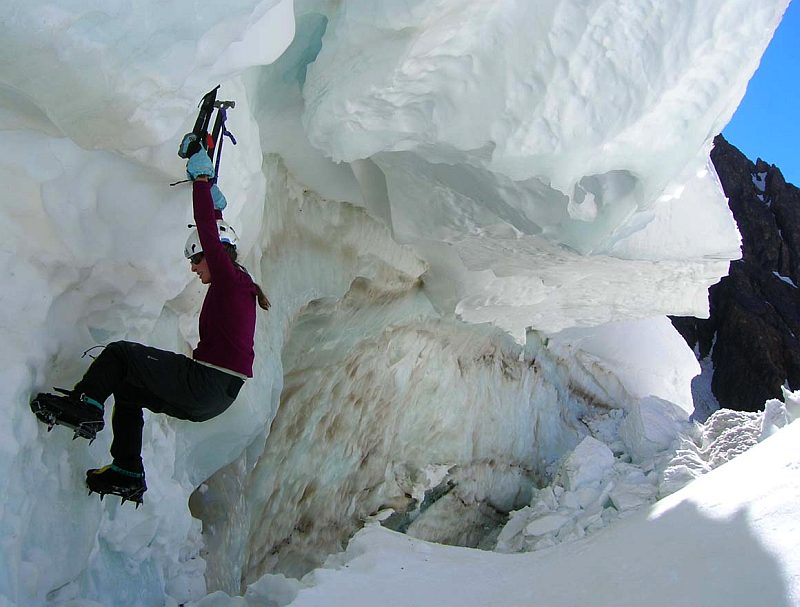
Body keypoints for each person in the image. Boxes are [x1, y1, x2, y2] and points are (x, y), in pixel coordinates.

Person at [32, 150, 270, 505]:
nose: (193, 268)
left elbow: (208, 231)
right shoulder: (239, 281)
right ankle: (126, 471)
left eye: (196, 258)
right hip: (214, 397)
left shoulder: (228, 279)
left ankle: (86, 405)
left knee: (121, 354)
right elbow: (216, 233)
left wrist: (202, 183)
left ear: (212, 253)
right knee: (128, 391)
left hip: (205, 382)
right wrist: (216, 204)